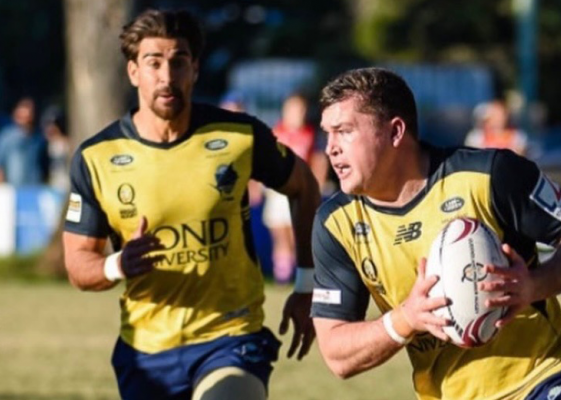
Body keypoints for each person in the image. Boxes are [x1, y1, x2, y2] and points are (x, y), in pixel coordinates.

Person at [311, 68, 561, 400]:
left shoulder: (489, 175)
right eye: (328, 134)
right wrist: (406, 318)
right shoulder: (336, 223)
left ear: (395, 131)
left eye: (344, 131)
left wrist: (533, 285)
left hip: (551, 376)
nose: (331, 148)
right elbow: (336, 352)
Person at [61, 9, 320, 400]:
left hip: (231, 338)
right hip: (146, 353)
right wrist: (118, 264)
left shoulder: (239, 137)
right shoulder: (97, 158)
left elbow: (304, 186)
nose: (167, 76)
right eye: (154, 63)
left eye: (178, 61)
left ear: (195, 69)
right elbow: (78, 263)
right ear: (133, 72)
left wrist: (306, 285)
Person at [263, 94, 329, 283]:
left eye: (301, 110)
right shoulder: (275, 132)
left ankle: (300, 275)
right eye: (293, 109)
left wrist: (317, 184)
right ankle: (282, 275)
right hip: (277, 191)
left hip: (299, 191)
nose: (297, 114)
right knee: (279, 234)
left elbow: (319, 160)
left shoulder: (310, 134)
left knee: (297, 236)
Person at [0, 97, 49, 186]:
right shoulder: (7, 137)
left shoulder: (38, 138)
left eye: (28, 117)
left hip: (35, 188)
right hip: (13, 189)